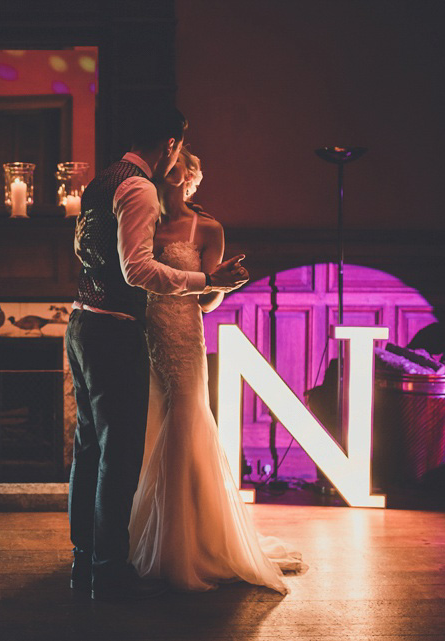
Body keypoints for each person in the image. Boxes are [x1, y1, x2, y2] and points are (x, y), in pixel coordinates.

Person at [66, 108, 248, 601]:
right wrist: (208, 281)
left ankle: (83, 560)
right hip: (114, 330)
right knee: (119, 454)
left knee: (88, 448)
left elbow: (87, 251)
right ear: (170, 144)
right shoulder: (139, 188)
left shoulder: (100, 182)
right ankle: (108, 569)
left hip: (80, 322)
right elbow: (137, 271)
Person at [128, 148, 304, 594]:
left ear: (188, 177)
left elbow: (206, 299)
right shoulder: (142, 220)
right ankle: (149, 533)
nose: (169, 168)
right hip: (146, 335)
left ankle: (190, 541)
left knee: (187, 422)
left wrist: (220, 283)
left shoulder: (206, 228)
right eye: (166, 162)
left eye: (177, 164)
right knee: (154, 424)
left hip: (184, 334)